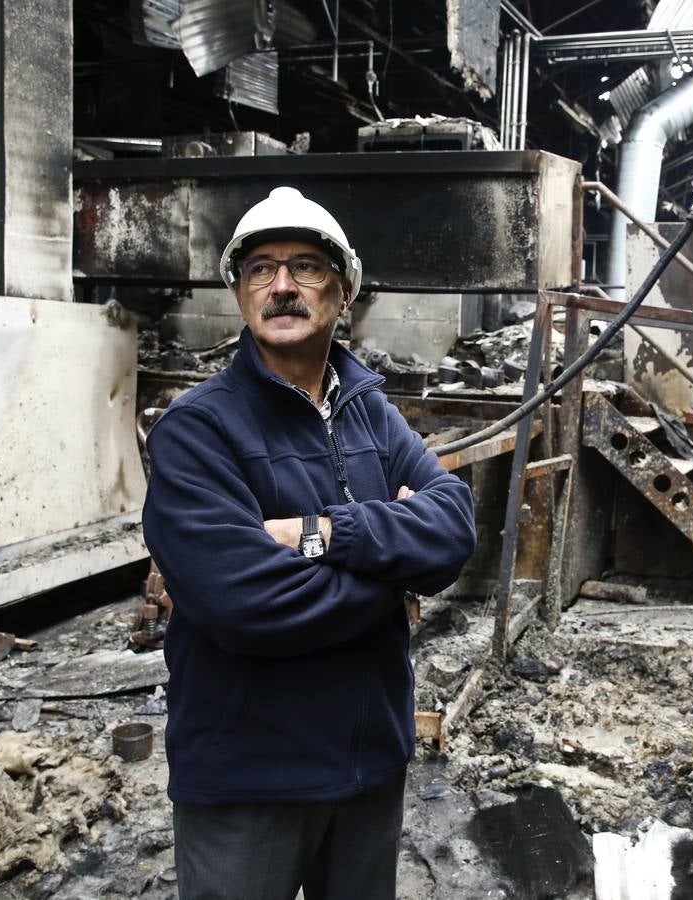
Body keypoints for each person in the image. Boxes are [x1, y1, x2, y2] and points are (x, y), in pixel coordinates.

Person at [142, 186, 476, 900]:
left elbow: (454, 528)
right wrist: (397, 572)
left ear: (344, 289)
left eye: (306, 267)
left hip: (368, 763)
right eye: (260, 270)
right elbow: (247, 603)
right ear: (238, 294)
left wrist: (325, 533)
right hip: (248, 774)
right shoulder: (197, 431)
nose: (283, 286)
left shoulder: (370, 410)